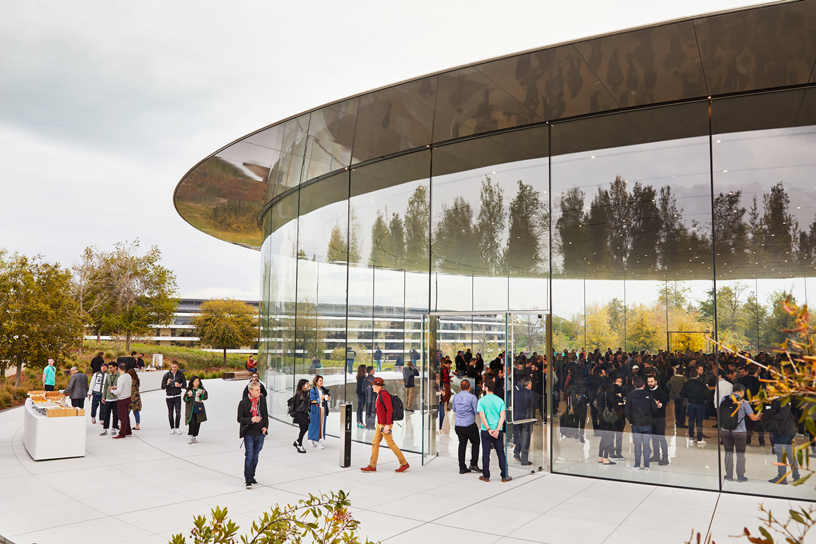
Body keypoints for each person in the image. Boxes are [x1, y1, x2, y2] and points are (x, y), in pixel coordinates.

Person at [360, 377, 410, 473]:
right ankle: (372, 465)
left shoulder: (384, 394)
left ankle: (404, 464)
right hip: (380, 423)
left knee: (391, 444)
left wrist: (387, 425)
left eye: (373, 385)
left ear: (377, 386)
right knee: (375, 443)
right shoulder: (379, 395)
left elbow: (390, 409)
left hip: (385, 425)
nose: (372, 387)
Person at [720, 383, 760, 482]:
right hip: (739, 432)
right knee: (740, 454)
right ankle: (740, 476)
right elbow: (753, 417)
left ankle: (729, 475)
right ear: (742, 392)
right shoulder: (744, 402)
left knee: (728, 453)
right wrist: (761, 415)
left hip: (725, 430)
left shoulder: (723, 399)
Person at [477, 379, 511, 483]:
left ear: (486, 388)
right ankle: (504, 476)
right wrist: (496, 430)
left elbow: (482, 417)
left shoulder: (481, 401)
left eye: (483, 386)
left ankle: (486, 476)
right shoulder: (500, 400)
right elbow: (502, 417)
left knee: (486, 453)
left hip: (485, 430)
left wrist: (488, 429)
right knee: (501, 453)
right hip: (498, 431)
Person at [238, 381, 269, 489]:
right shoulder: (243, 403)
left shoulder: (262, 400)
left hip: (260, 432)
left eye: (259, 390)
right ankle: (248, 479)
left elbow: (265, 414)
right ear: (250, 391)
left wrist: (266, 426)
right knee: (249, 456)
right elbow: (239, 418)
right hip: (249, 433)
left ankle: (252, 476)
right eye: (257, 390)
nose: (259, 392)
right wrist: (251, 419)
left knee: (255, 457)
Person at [766, 398, 801, 484]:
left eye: (768, 389)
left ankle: (782, 477)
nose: (767, 391)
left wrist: (770, 416)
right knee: (790, 454)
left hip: (782, 432)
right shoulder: (781, 400)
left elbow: (782, 415)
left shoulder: (780, 401)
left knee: (781, 454)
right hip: (788, 430)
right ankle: (796, 476)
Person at [451, 379, 480, 474]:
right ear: (469, 387)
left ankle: (462, 467)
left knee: (462, 444)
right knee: (475, 442)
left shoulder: (456, 397)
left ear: (460, 387)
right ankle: (473, 464)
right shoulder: (472, 397)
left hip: (458, 425)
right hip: (469, 424)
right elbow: (476, 411)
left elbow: (454, 409)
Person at [680, 364, 709, 443]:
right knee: (699, 421)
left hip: (691, 403)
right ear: (697, 374)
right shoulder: (701, 384)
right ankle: (699, 438)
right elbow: (707, 394)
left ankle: (691, 436)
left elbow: (682, 394)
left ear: (690, 375)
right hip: (700, 404)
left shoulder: (687, 384)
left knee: (691, 420)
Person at [513, 376, 535, 466]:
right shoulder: (530, 393)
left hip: (517, 417)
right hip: (526, 418)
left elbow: (513, 404)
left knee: (520, 436)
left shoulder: (516, 393)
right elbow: (536, 405)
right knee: (526, 439)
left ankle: (516, 452)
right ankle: (524, 460)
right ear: (529, 384)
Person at [647, 375, 669, 466]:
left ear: (655, 382)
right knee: (653, 438)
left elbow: (663, 405)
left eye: (651, 381)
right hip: (650, 418)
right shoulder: (647, 392)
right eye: (648, 382)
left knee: (661, 438)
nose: (650, 383)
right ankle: (656, 455)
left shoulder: (662, 392)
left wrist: (657, 404)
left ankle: (665, 457)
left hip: (660, 418)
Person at [162, 360, 186, 435]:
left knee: (178, 412)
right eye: (173, 367)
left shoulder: (181, 375)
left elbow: (185, 385)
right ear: (171, 366)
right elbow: (162, 387)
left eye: (175, 367)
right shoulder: (167, 375)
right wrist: (167, 383)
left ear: (177, 366)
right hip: (169, 396)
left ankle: (177, 427)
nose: (174, 368)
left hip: (177, 395)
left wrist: (180, 385)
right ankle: (172, 427)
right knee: (170, 412)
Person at [596, 380, 617, 465]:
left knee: (603, 437)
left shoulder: (599, 394)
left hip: (600, 416)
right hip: (607, 417)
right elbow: (614, 404)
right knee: (609, 437)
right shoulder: (608, 394)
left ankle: (600, 457)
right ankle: (605, 458)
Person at [110, 363, 133, 439]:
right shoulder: (128, 376)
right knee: (126, 415)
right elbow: (125, 386)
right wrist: (117, 387)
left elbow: (118, 391)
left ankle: (122, 433)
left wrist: (112, 391)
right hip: (128, 397)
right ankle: (128, 431)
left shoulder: (121, 378)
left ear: (118, 369)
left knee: (122, 417)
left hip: (122, 399)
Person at [308, 375, 330, 449]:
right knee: (314, 425)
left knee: (321, 425)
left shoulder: (324, 389)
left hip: (323, 409)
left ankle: (317, 440)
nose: (321, 382)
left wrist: (328, 398)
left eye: (322, 380)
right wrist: (321, 398)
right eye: (320, 381)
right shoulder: (313, 390)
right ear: (316, 382)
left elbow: (328, 396)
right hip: (315, 410)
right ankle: (312, 439)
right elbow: (312, 400)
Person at [184, 376, 208, 444]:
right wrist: (189, 396)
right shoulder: (190, 390)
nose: (197, 383)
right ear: (192, 382)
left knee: (197, 422)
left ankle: (195, 436)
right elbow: (184, 399)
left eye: (198, 381)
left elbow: (206, 397)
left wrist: (200, 395)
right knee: (192, 422)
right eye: (196, 381)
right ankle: (190, 436)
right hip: (191, 409)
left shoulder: (201, 389)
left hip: (198, 408)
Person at [291, 379, 311, 453]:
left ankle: (297, 441)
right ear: (302, 385)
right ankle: (299, 444)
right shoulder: (300, 393)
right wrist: (309, 392)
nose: (308, 385)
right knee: (303, 428)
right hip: (300, 413)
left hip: (304, 412)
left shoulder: (304, 393)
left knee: (306, 427)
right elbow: (306, 400)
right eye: (306, 384)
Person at [100, 363, 120, 436]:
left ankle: (114, 428)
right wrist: (103, 396)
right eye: (109, 368)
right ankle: (105, 429)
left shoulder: (120, 376)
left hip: (116, 398)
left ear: (116, 367)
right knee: (106, 414)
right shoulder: (108, 376)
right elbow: (105, 387)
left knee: (115, 414)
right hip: (108, 398)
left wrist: (116, 387)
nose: (110, 369)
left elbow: (121, 386)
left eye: (111, 368)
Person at [363, 366, 376, 430]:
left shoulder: (365, 379)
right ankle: (372, 425)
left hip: (367, 398)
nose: (374, 371)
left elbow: (363, 389)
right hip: (373, 398)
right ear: (371, 371)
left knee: (367, 411)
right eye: (373, 370)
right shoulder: (375, 379)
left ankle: (368, 425)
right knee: (373, 411)